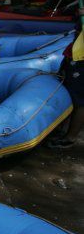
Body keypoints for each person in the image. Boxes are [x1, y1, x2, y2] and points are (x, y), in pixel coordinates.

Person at [48, 17, 84, 148]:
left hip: (81, 60)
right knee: (67, 89)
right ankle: (62, 130)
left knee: (79, 99)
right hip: (75, 54)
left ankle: (70, 137)